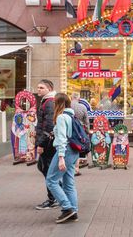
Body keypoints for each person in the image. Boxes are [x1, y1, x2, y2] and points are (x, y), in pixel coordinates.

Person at [45, 93, 80, 223]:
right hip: (73, 151)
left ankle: (67, 208)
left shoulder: (61, 118)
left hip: (65, 151)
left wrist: (60, 157)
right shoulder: (72, 116)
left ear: (59, 104)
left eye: (54, 102)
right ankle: (73, 211)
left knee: (51, 180)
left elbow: (61, 139)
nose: (53, 104)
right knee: (69, 183)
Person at [35, 79, 58, 210]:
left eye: (41, 88)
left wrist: (41, 144)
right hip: (49, 142)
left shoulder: (49, 103)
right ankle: (57, 195)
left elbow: (49, 125)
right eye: (38, 87)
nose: (38, 89)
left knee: (47, 170)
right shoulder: (47, 101)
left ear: (49, 89)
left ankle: (53, 198)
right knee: (43, 167)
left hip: (48, 143)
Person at [71, 92, 89, 176]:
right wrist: (87, 131)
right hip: (79, 129)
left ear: (71, 98)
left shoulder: (66, 106)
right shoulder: (82, 107)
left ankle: (69, 167)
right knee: (77, 147)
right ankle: (76, 168)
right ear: (78, 98)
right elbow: (86, 121)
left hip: (69, 128)